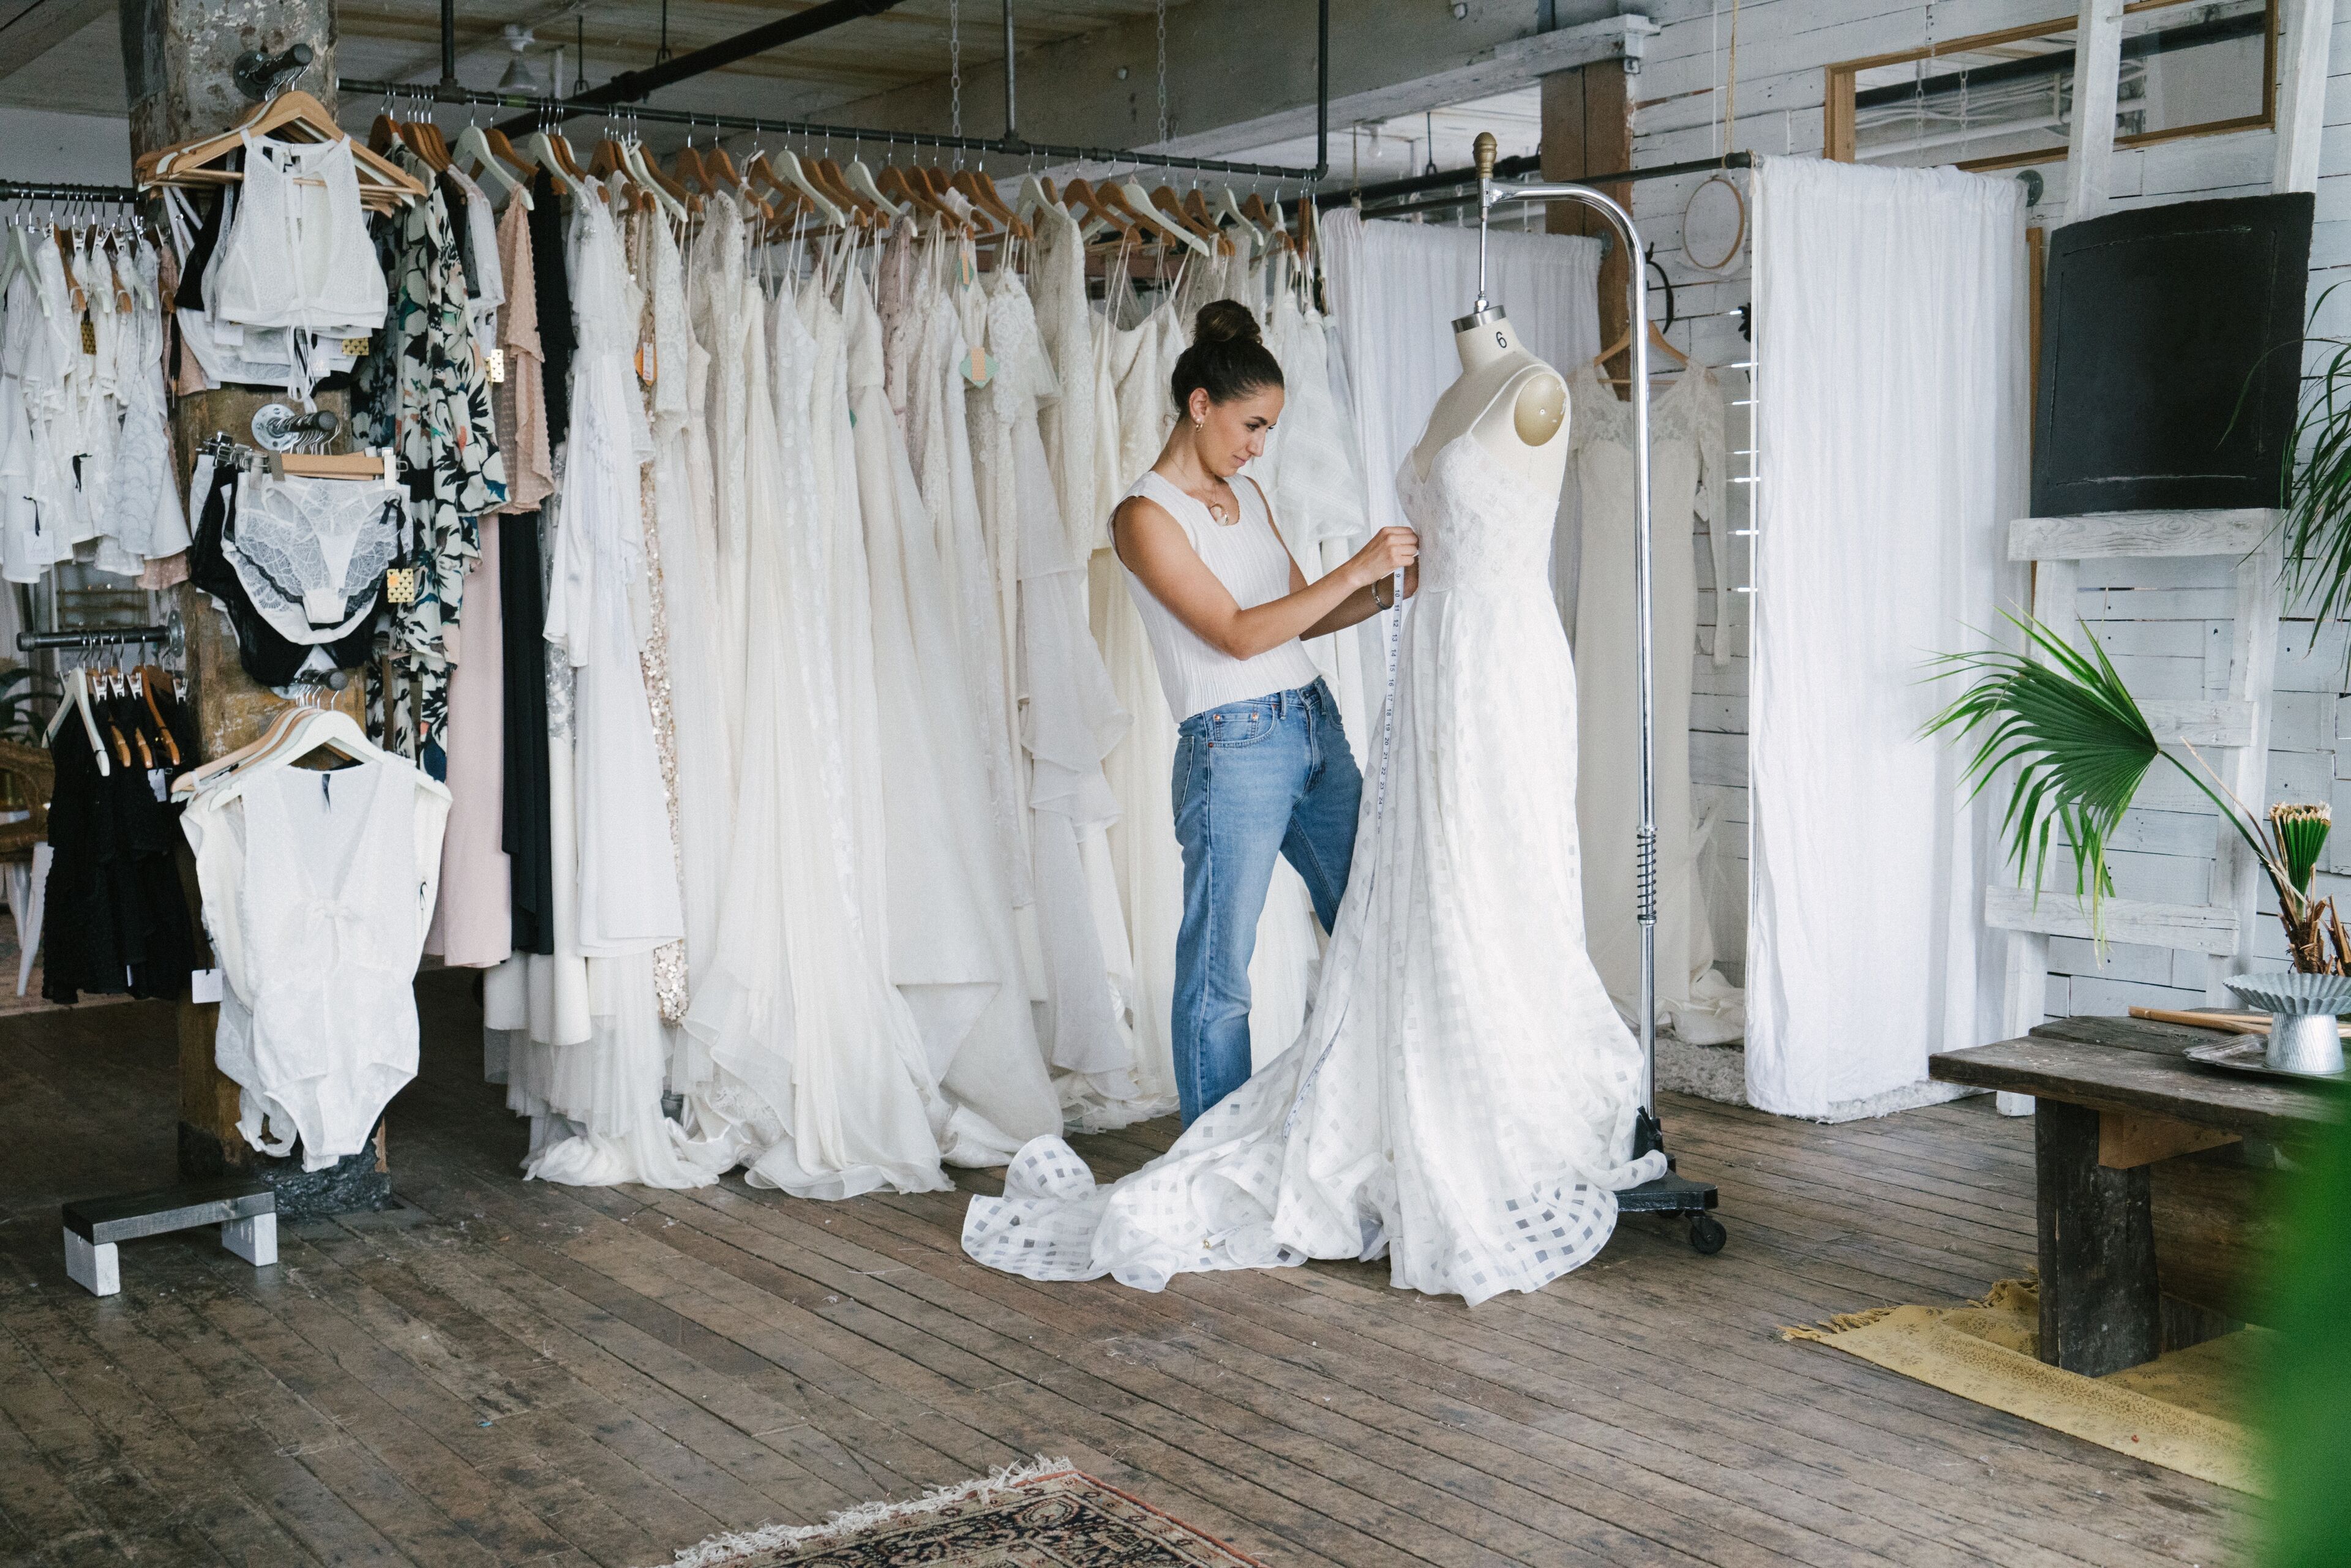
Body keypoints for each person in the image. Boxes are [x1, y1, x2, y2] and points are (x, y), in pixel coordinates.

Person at [1111, 299, 1419, 1125]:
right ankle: (1214, 1160)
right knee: (1221, 972)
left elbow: (1299, 615)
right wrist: (1355, 568)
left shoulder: (1248, 496)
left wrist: (1390, 591)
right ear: (1200, 404)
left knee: (1374, 916)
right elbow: (1239, 636)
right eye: (1251, 424)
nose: (1256, 446)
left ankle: (1381, 1116)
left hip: (1313, 723)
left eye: (1269, 430)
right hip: (1233, 747)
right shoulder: (1143, 518)